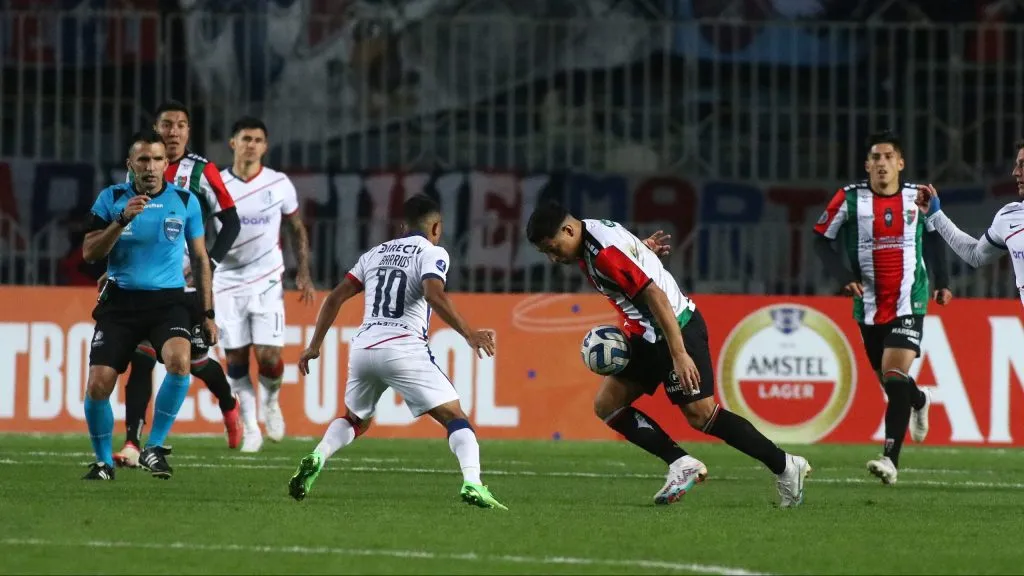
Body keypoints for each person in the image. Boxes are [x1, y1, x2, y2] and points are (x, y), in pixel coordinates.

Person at [526, 203, 810, 508]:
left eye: (552, 248)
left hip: (675, 328)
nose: (552, 258)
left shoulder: (604, 255)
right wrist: (642, 252)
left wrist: (679, 353)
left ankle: (785, 465)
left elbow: (656, 296)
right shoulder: (592, 230)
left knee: (701, 415)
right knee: (607, 405)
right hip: (646, 334)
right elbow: (628, 259)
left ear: (568, 230)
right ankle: (681, 463)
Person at [290, 194, 506, 510]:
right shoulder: (433, 253)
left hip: (363, 348)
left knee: (355, 419)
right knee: (455, 418)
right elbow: (434, 294)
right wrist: (469, 333)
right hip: (404, 348)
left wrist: (314, 345)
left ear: (403, 226)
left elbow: (334, 298)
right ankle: (473, 482)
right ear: (436, 227)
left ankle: (319, 454)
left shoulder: (374, 254)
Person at [812, 130, 951, 485]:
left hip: (910, 298)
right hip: (869, 304)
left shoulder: (917, 197)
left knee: (893, 374)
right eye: (875, 157)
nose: (882, 163)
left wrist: (944, 281)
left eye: (889, 157)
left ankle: (890, 459)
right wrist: (844, 277)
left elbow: (934, 234)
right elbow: (821, 239)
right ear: (867, 165)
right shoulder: (848, 198)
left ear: (900, 163)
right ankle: (919, 400)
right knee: (893, 384)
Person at [81, 129, 217, 480]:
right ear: (131, 164)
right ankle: (103, 463)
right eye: (143, 159)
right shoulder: (111, 198)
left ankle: (153, 447)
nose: (151, 166)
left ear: (167, 163)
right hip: (121, 303)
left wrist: (207, 313)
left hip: (167, 302)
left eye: (158, 159)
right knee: (98, 385)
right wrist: (122, 219)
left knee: (179, 362)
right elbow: (90, 253)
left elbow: (200, 259)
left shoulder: (185, 201)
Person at [114, 100, 242, 467]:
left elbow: (231, 220)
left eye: (181, 125)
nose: (173, 131)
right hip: (148, 286)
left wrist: (210, 263)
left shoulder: (202, 172)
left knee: (197, 362)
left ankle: (229, 404)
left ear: (188, 132)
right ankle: (133, 444)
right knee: (141, 359)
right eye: (167, 124)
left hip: (188, 289)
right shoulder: (140, 171)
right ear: (156, 129)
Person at [216, 116, 315, 453]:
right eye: (245, 138)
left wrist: (303, 271)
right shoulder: (215, 184)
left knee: (270, 355)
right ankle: (250, 428)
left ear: (265, 146)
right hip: (226, 280)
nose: (251, 145)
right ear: (233, 143)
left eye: (258, 140)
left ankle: (271, 402)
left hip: (267, 279)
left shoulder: (279, 183)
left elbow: (296, 227)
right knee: (236, 357)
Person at [915, 140, 1024, 306]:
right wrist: (936, 215)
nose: (1016, 172)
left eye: (1022, 165)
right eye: (1017, 165)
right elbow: (975, 255)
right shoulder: (1009, 217)